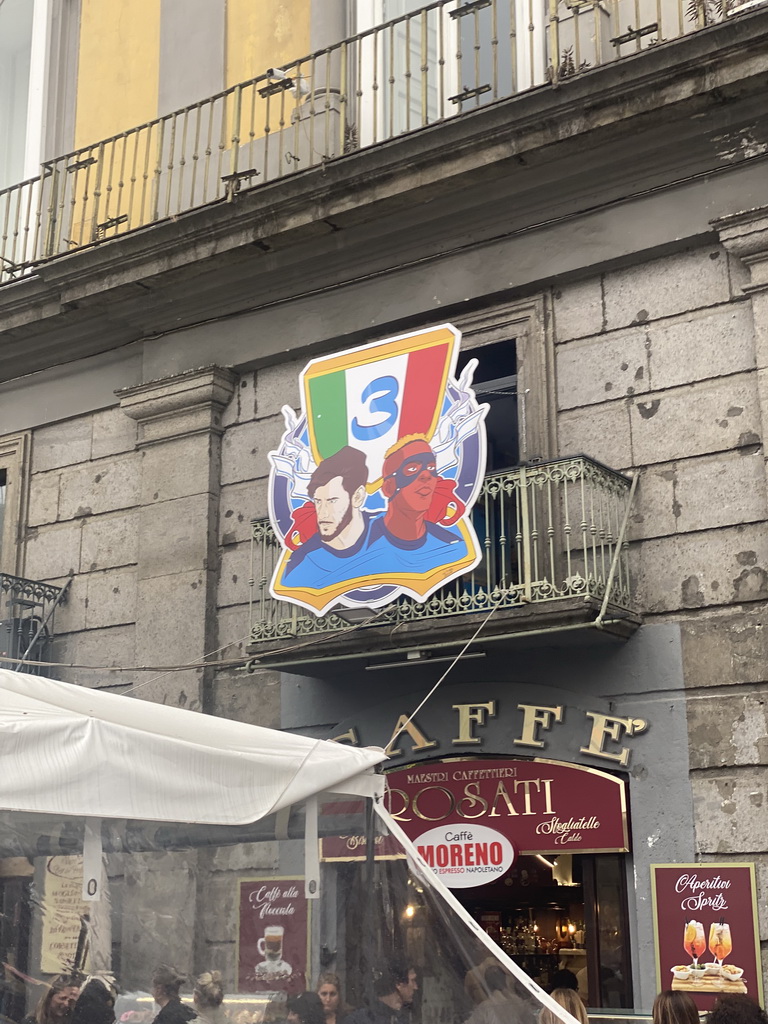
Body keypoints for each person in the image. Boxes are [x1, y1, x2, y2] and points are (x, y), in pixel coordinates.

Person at [366, 437, 469, 574]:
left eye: (431, 467)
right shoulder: (361, 540)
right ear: (388, 488)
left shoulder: (453, 546)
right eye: (412, 468)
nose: (426, 475)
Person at [282, 447, 374, 588]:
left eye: (332, 501)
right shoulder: (303, 561)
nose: (323, 514)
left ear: (358, 497)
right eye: (318, 501)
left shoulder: (389, 534)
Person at [342, 962, 417, 1024]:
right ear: (398, 984)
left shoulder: (404, 1018)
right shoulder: (358, 1020)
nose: (415, 987)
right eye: (413, 981)